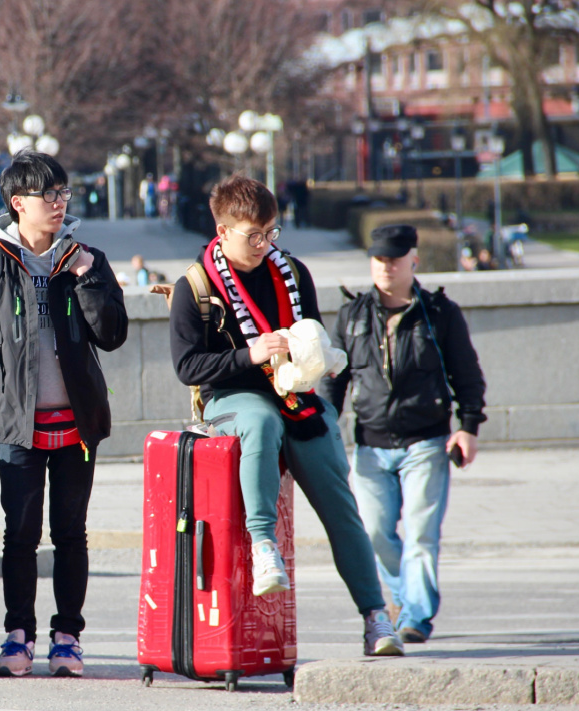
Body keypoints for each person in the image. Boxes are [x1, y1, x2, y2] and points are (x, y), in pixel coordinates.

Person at [168, 175, 404, 657]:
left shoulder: (291, 271)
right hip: (230, 396)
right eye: (251, 235)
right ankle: (263, 546)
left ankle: (376, 617)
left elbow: (311, 331)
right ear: (221, 229)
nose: (263, 245)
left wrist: (322, 357)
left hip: (292, 392)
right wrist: (250, 354)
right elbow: (187, 367)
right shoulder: (195, 285)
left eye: (270, 233)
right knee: (260, 421)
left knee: (341, 504)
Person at [0, 149, 128, 677]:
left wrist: (89, 277)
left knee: (71, 534)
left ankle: (68, 637)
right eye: (49, 196)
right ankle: (17, 636)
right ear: (17, 203)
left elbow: (112, 335)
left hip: (78, 424)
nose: (59, 203)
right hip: (16, 422)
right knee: (20, 535)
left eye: (63, 194)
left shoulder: (87, 256)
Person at [321, 224, 486, 645]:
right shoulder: (352, 315)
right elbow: (333, 383)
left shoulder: (439, 313)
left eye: (395, 259)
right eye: (379, 259)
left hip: (427, 442)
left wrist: (467, 427)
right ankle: (400, 598)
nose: (386, 266)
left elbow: (466, 374)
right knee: (375, 534)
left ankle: (416, 616)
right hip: (371, 445)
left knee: (420, 535)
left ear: (414, 259)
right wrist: (322, 430)